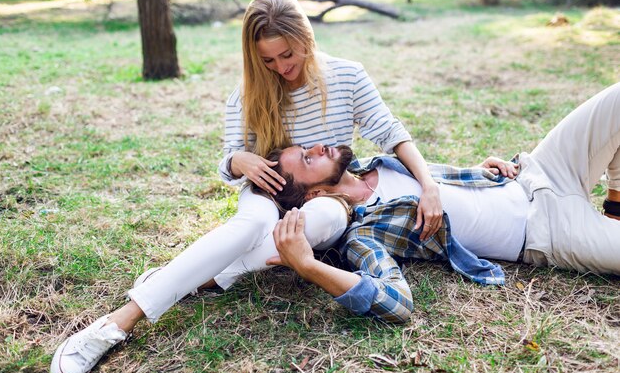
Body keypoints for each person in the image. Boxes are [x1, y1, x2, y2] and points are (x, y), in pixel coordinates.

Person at [50, 0, 442, 373]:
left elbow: (392, 133)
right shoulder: (249, 93)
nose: (281, 68)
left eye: (287, 54)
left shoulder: (347, 75)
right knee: (251, 226)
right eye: (268, 60)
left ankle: (186, 277)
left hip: (330, 197)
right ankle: (118, 323)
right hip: (267, 189)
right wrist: (240, 161)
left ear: (305, 38)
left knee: (316, 220)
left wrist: (429, 186)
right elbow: (228, 161)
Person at [256, 82, 620, 323]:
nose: (318, 147)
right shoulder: (362, 236)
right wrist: (307, 266)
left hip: (536, 172)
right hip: (547, 231)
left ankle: (615, 211)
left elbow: (441, 185)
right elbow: (396, 303)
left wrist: (475, 173)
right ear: (315, 195)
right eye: (307, 160)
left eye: (306, 148)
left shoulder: (376, 163)